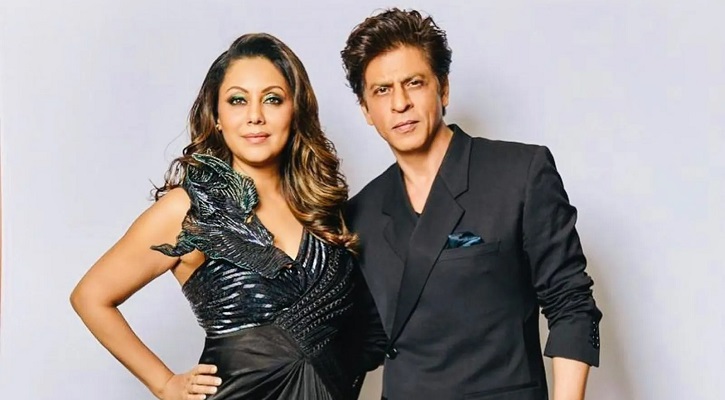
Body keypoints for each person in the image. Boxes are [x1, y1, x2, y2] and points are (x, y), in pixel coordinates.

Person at [71, 32, 382, 400]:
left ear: (294, 111)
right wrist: (164, 383)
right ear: (216, 116)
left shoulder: (323, 207)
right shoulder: (189, 210)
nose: (255, 116)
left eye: (272, 99)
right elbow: (91, 296)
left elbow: (362, 335)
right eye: (238, 100)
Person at [341, 8, 603, 400]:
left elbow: (572, 304)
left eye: (414, 83)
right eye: (382, 90)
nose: (400, 103)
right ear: (366, 109)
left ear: (443, 89)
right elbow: (367, 339)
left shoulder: (519, 173)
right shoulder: (360, 212)